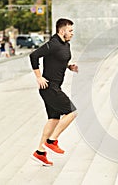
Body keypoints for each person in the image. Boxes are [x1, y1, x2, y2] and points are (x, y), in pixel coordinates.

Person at [30, 18, 78, 166]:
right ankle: (51, 141)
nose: (72, 33)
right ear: (62, 31)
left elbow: (58, 59)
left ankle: (40, 152)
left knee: (54, 119)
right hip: (49, 87)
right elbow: (34, 55)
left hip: (54, 87)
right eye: (70, 30)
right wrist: (39, 77)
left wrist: (69, 66)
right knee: (72, 111)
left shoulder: (64, 44)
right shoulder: (54, 43)